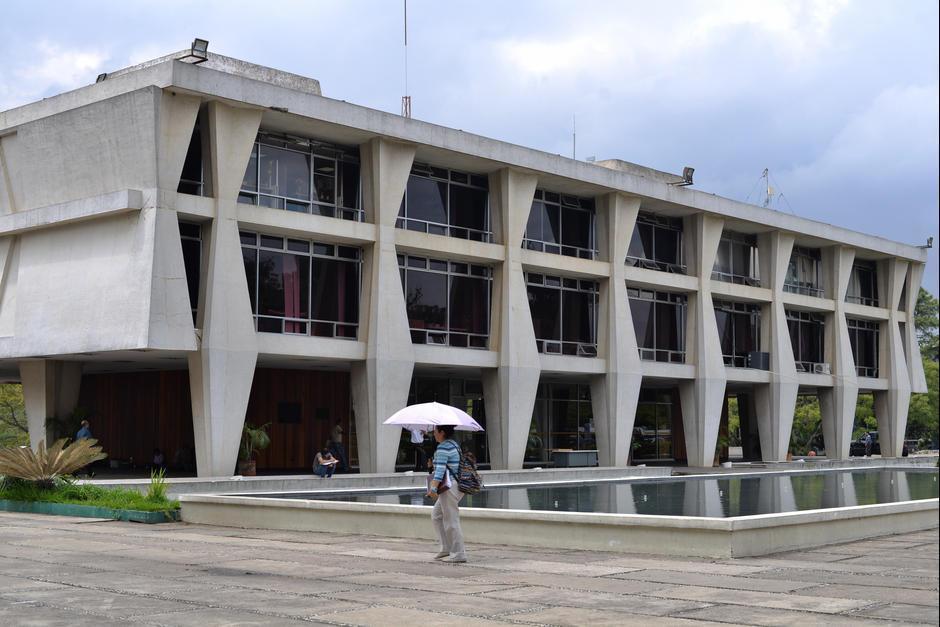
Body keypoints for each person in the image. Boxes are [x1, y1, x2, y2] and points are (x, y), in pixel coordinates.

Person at [426, 425, 466, 563]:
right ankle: (446, 548)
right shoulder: (453, 444)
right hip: (454, 486)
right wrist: (432, 465)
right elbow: (445, 466)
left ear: (442, 432)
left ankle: (459, 554)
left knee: (451, 520)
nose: (433, 434)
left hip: (449, 487)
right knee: (436, 515)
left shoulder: (443, 447)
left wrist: (433, 489)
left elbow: (440, 471)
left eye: (435, 431)